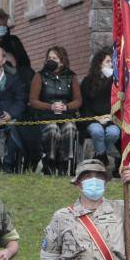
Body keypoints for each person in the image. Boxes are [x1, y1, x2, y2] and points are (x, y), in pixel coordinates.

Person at [30, 46, 82, 175]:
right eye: (49, 58)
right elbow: (33, 101)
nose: (50, 60)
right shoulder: (39, 76)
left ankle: (64, 163)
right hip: (46, 117)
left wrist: (67, 106)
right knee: (53, 130)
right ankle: (50, 162)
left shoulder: (71, 77)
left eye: (54, 58)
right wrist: (50, 106)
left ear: (62, 61)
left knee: (69, 128)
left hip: (66, 115)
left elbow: (78, 100)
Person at [80, 48, 121, 168]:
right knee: (97, 131)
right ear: (99, 64)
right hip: (93, 119)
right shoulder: (88, 82)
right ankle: (102, 157)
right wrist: (96, 119)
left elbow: (119, 102)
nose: (111, 64)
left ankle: (99, 155)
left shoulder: (116, 83)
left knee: (113, 133)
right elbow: (85, 105)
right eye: (108, 62)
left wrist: (112, 80)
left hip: (110, 119)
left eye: (111, 62)